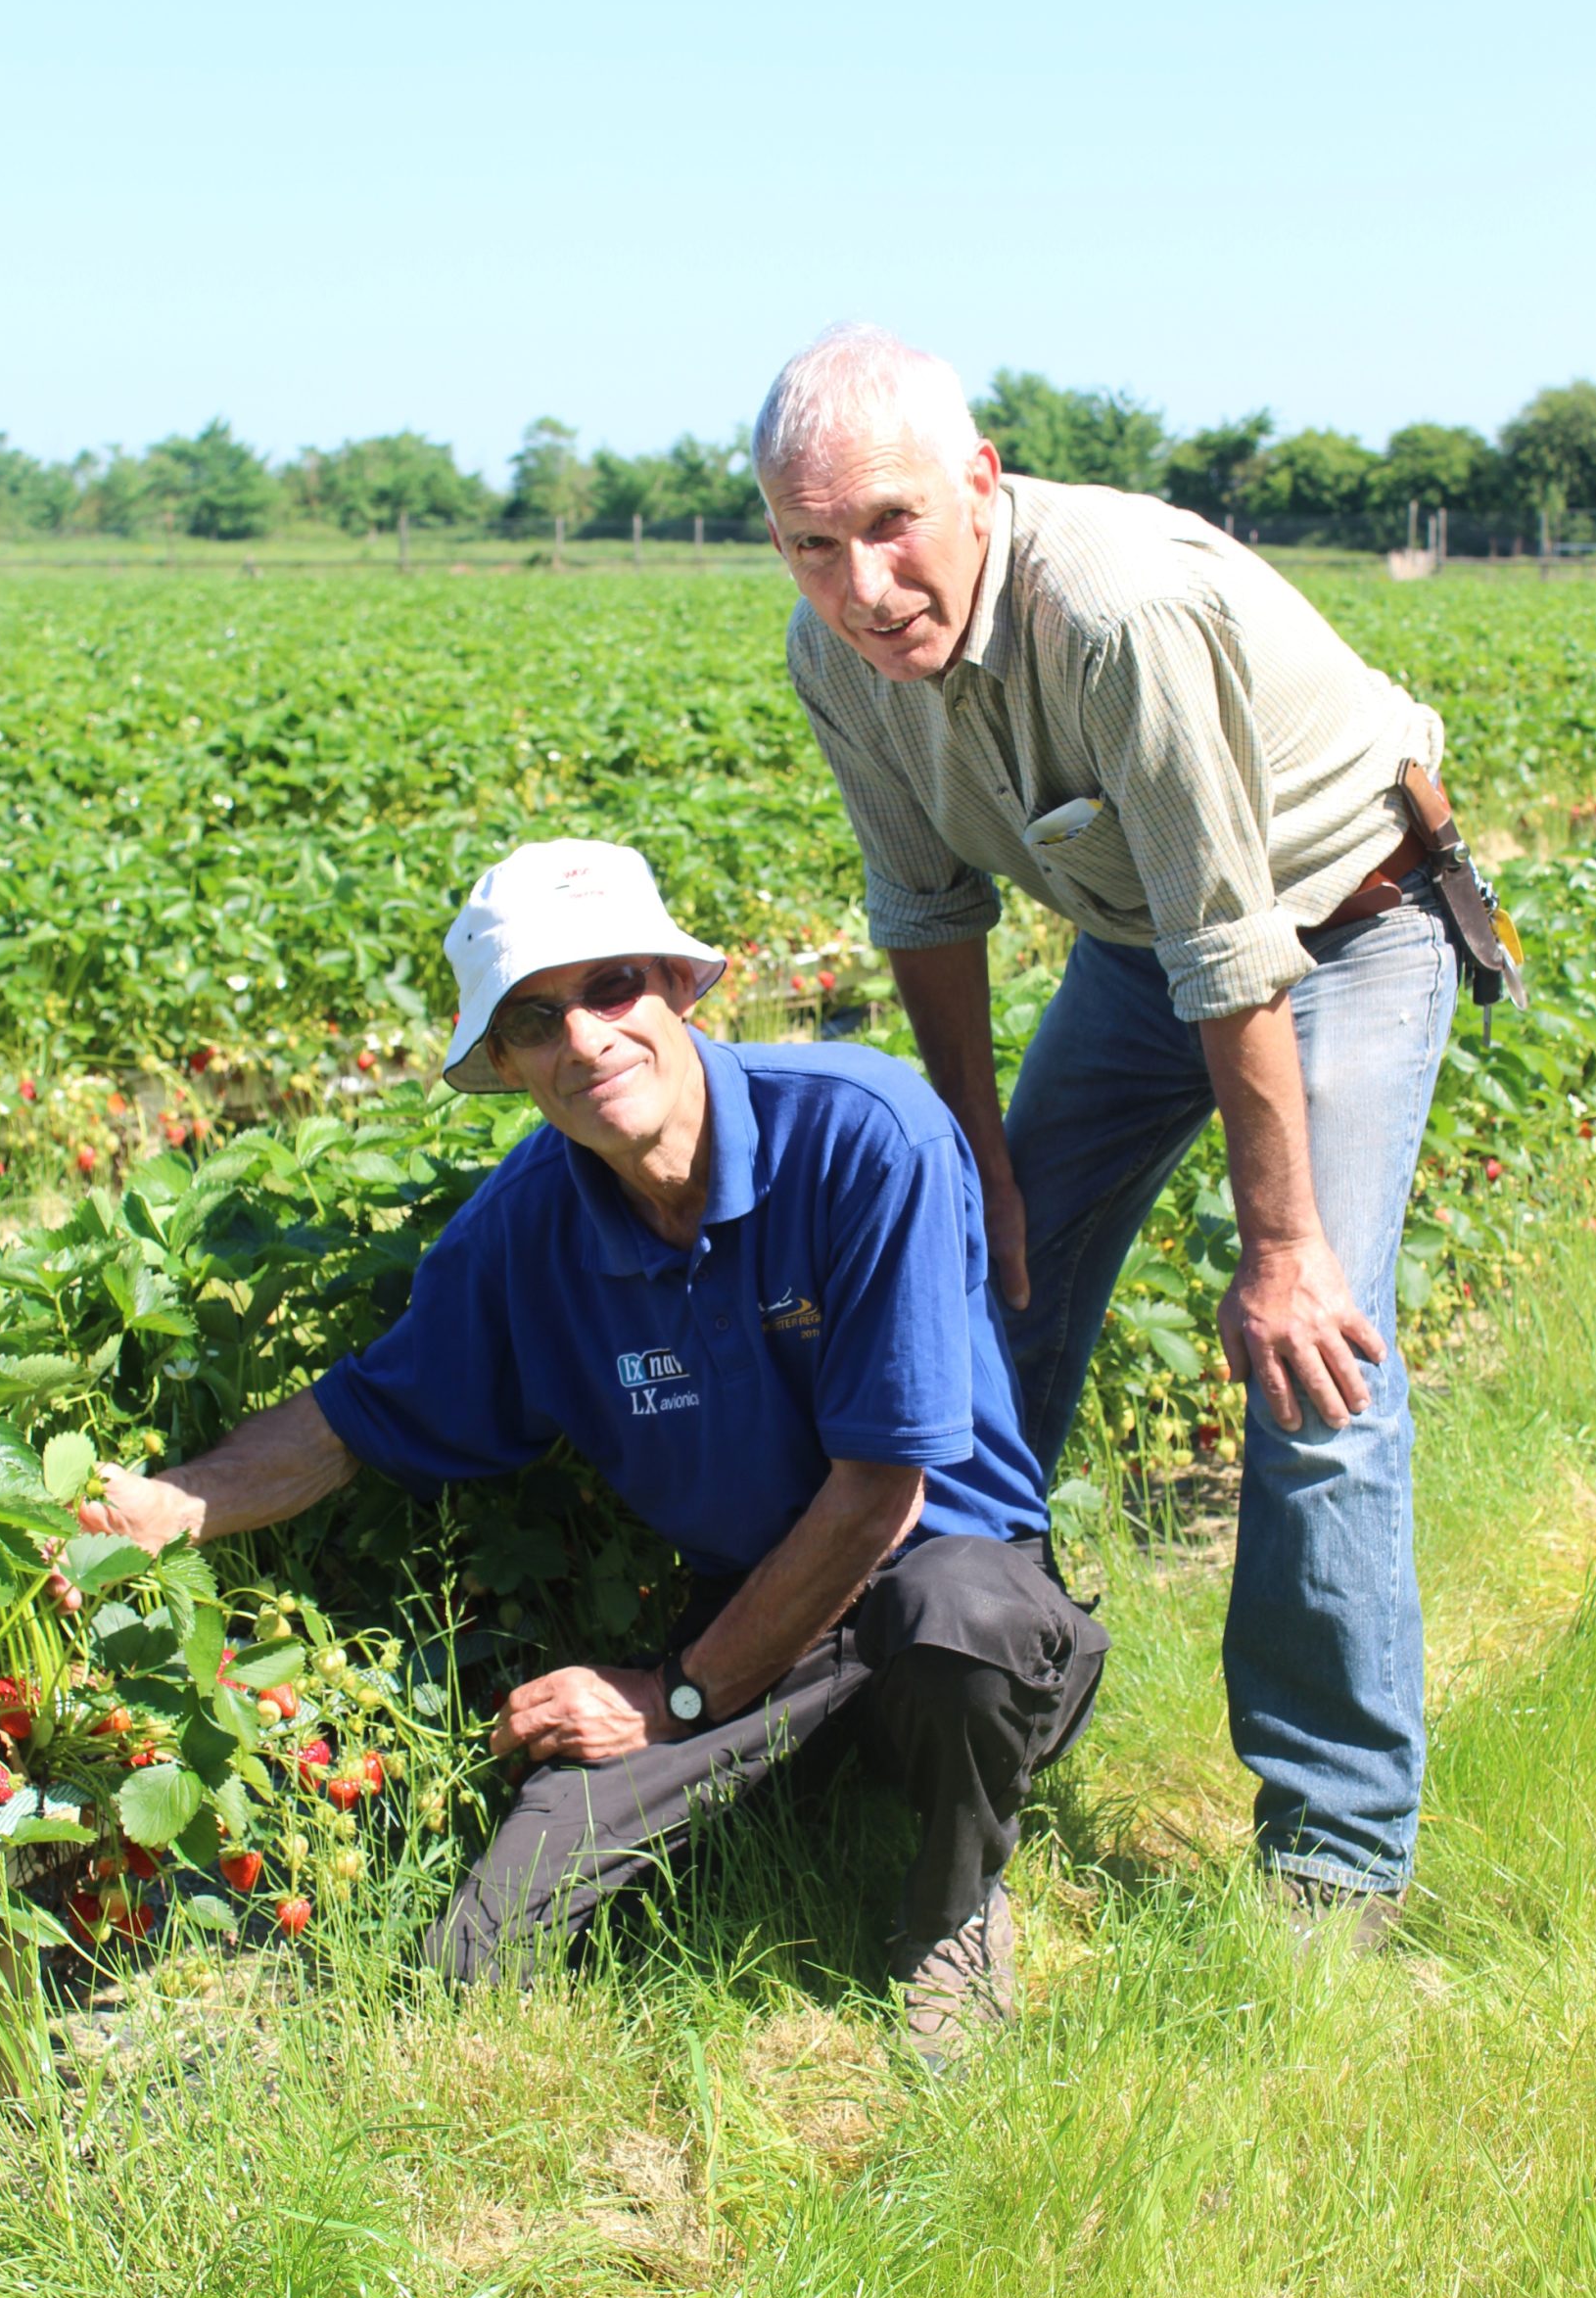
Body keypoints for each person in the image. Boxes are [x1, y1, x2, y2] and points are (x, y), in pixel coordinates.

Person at [82, 838, 1105, 2059]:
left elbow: (884, 1492)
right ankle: (799, 1776)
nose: (584, 1038)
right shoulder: (526, 1230)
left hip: (936, 1571)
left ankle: (950, 1909)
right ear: (506, 1063)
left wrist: (676, 1696)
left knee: (960, 1621)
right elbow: (353, 1420)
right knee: (479, 1953)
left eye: (611, 986)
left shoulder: (861, 1134)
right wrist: (169, 1503)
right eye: (533, 1018)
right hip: (754, 1617)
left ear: (678, 987)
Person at [753, 325, 1460, 1941]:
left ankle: (1335, 1849)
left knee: (1318, 1358)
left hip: (1342, 923)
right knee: (976, 1304)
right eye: (812, 544)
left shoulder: (1117, 612)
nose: (861, 583)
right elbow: (923, 906)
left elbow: (1236, 948)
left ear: (978, 486)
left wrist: (1279, 1253)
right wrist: (977, 1158)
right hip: (1141, 950)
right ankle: (960, 1723)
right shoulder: (835, 660)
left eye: (891, 524)